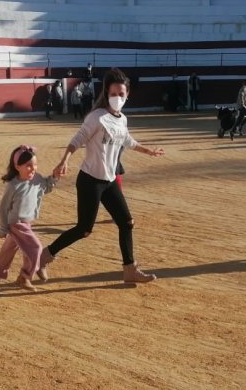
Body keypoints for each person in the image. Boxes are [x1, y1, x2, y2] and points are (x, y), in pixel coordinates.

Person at [38, 68, 165, 284]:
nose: (117, 98)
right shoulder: (97, 117)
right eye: (113, 93)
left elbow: (128, 141)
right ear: (106, 93)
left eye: (121, 94)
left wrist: (149, 151)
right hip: (90, 181)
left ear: (127, 95)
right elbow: (78, 139)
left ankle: (129, 269)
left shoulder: (122, 119)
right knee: (84, 229)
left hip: (110, 180)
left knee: (126, 222)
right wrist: (64, 159)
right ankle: (43, 256)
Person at [0, 145, 57, 294]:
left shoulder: (37, 179)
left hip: (26, 223)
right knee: (35, 248)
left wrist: (55, 177)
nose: (33, 168)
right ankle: (24, 277)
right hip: (16, 223)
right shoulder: (13, 185)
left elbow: (47, 187)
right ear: (17, 166)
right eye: (28, 165)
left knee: (8, 250)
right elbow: (3, 208)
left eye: (35, 165)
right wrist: (3, 228)